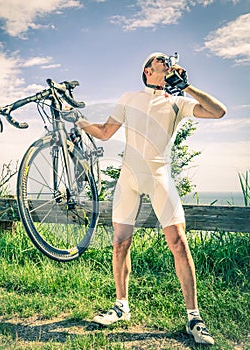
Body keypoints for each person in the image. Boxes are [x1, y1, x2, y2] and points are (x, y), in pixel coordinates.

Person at [75, 52, 226, 345]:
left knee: (178, 243)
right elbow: (105, 133)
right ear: (147, 70)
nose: (166, 61)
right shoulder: (129, 97)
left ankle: (194, 318)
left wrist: (188, 86)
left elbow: (218, 112)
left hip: (160, 178)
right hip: (128, 179)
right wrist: (81, 123)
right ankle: (121, 307)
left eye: (169, 60)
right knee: (120, 244)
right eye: (160, 59)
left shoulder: (177, 101)